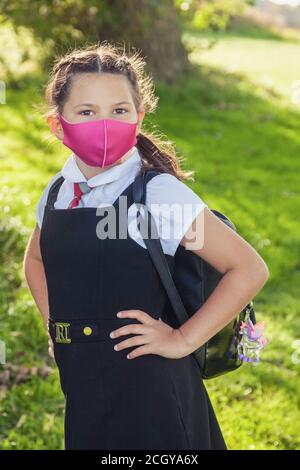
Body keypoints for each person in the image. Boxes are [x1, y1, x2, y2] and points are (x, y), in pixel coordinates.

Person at [23, 42, 269, 450]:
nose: (105, 123)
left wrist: (183, 340)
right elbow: (35, 259)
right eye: (87, 112)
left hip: (151, 386)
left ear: (138, 118)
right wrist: (58, 327)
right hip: (82, 380)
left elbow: (248, 268)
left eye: (120, 110)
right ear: (57, 124)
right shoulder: (57, 193)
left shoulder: (159, 195)